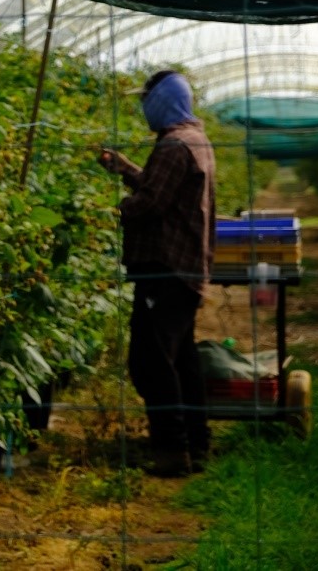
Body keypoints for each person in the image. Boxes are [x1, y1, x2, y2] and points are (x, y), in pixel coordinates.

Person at [97, 70, 215, 477]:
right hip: (185, 269)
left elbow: (150, 205)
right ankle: (196, 445)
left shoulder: (172, 146)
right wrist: (128, 169)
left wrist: (110, 213)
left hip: (165, 270)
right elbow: (162, 190)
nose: (143, 107)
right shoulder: (194, 140)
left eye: (146, 99)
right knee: (181, 359)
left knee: (149, 361)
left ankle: (171, 452)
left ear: (163, 100)